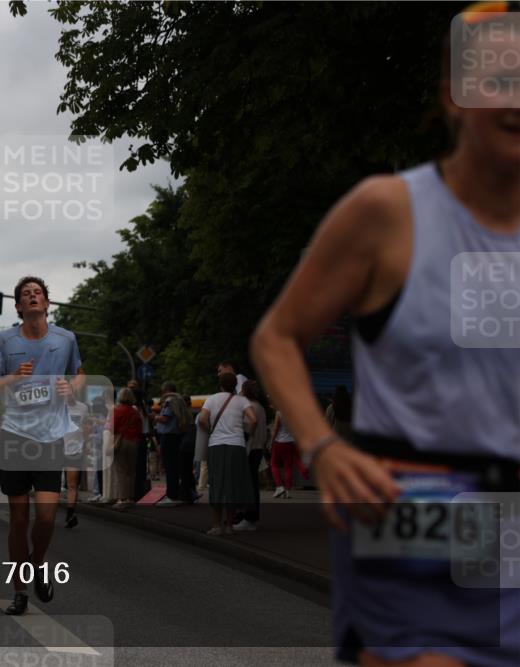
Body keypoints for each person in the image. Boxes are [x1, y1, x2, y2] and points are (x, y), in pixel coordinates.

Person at [251, 9, 519, 663]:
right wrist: (322, 448)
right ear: (453, 95)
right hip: (414, 508)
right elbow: (277, 336)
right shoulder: (388, 213)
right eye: (500, 80)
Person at [0, 276, 84, 615]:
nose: (32, 296)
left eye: (37, 293)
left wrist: (72, 387)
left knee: (45, 516)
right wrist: (14, 378)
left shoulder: (66, 339)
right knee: (18, 520)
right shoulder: (4, 340)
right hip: (15, 434)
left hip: (50, 436)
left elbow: (79, 373)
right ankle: (20, 592)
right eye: (26, 294)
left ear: (46, 303)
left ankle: (37, 562)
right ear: (17, 306)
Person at [199, 372, 257, 535]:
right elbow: (254, 419)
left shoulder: (211, 399)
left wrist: (210, 430)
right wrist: (248, 434)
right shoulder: (242, 400)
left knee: (217, 484)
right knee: (233, 485)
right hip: (237, 445)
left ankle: (216, 525)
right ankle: (230, 525)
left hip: (216, 445)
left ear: (221, 385)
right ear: (235, 385)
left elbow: (202, 419)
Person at [233, 380, 270, 532]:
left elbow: (248, 427)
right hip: (258, 448)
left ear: (245, 391)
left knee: (247, 484)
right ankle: (251, 517)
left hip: (250, 448)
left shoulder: (250, 408)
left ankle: (248, 518)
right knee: (253, 483)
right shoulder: (260, 407)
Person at [155, 381, 192, 507]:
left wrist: (154, 417)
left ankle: (171, 496)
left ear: (166, 390)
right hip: (177, 437)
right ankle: (176, 494)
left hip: (168, 437)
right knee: (175, 467)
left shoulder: (169, 400)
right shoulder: (179, 400)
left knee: (170, 467)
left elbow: (165, 418)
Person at [108, 388, 143, 509]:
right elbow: (140, 429)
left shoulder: (117, 410)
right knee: (131, 472)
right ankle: (130, 498)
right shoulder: (135, 412)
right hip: (133, 442)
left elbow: (112, 428)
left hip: (120, 442)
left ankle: (122, 498)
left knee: (120, 471)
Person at [62, 395, 90, 528]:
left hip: (75, 450)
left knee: (72, 484)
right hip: (57, 450)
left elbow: (86, 427)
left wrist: (86, 444)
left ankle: (70, 514)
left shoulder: (83, 408)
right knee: (52, 486)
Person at [269, 409, 308, 498]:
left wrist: (271, 441)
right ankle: (287, 491)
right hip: (291, 442)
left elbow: (275, 429)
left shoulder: (279, 412)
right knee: (288, 468)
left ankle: (279, 486)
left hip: (280, 442)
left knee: (274, 464)